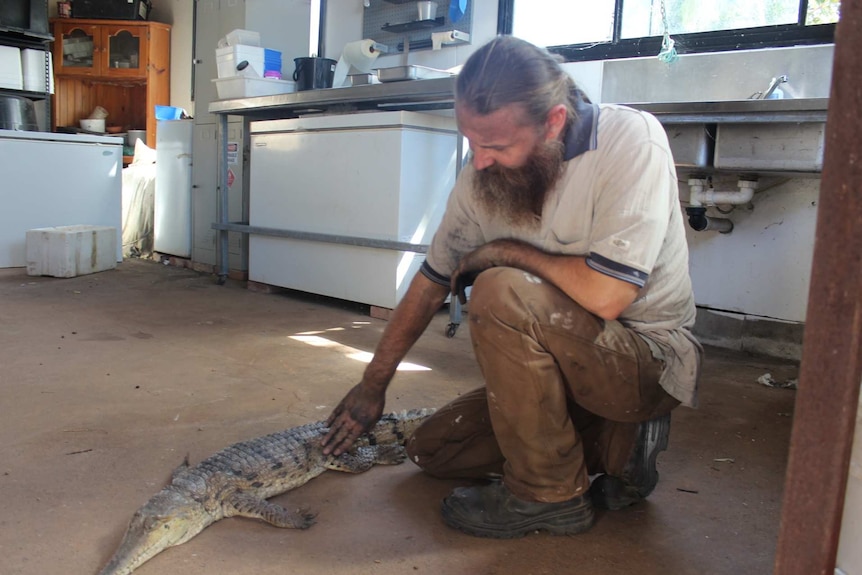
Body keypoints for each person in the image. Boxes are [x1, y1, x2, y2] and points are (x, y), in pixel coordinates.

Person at [322, 35, 702, 539]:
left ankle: (550, 496)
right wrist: (373, 385)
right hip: (567, 364)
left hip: (644, 356)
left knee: (501, 288)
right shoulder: (483, 177)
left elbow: (609, 297)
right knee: (434, 450)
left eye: (496, 146)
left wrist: (505, 252)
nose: (479, 161)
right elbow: (431, 282)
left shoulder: (630, 140)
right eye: (471, 142)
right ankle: (618, 444)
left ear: (554, 123)